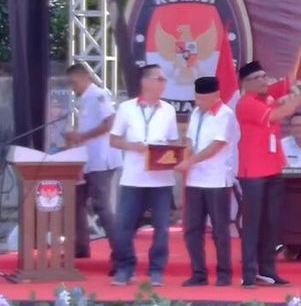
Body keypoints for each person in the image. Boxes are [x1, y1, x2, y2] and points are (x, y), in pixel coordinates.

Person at [235, 60, 301, 288]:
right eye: (260, 78)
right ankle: (249, 273)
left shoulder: (266, 96)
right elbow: (279, 114)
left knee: (271, 222)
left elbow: (291, 79)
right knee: (253, 223)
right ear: (247, 83)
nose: (266, 81)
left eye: (266, 77)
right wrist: (299, 100)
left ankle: (268, 270)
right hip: (253, 171)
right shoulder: (246, 103)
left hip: (274, 168)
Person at [108, 65, 179, 287]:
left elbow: (172, 141)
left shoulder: (168, 110)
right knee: (124, 226)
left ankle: (156, 270)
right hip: (133, 177)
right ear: (145, 82)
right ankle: (125, 268)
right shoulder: (126, 108)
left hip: (161, 178)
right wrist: (133, 146)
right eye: (160, 79)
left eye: (165, 80)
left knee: (161, 227)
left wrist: (171, 153)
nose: (164, 83)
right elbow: (114, 139)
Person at [176, 77, 234, 287]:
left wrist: (190, 161)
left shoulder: (225, 115)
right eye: (196, 97)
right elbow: (190, 139)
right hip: (194, 179)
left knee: (219, 230)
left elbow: (216, 146)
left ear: (215, 95)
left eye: (201, 98)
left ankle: (224, 273)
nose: (198, 101)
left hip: (216, 180)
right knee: (192, 228)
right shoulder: (196, 113)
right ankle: (198, 273)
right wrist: (185, 156)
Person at [64, 63, 121, 272]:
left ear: (85, 77)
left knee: (102, 206)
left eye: (74, 82)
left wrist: (82, 136)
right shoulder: (84, 100)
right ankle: (81, 245)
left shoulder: (98, 95)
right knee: (76, 199)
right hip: (88, 159)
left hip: (102, 159)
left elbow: (110, 123)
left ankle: (120, 254)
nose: (73, 87)